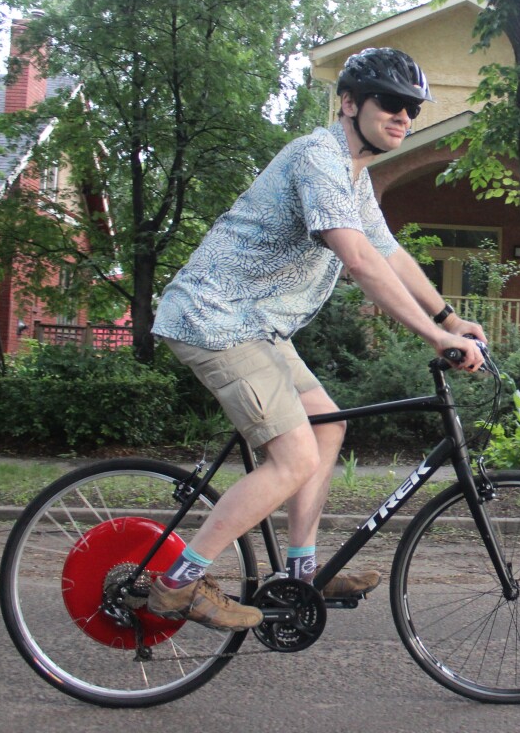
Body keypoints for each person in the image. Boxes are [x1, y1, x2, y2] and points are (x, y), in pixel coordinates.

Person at [146, 48, 487, 631]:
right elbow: (356, 258)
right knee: (294, 456)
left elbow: (388, 251)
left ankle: (301, 575)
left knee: (327, 425)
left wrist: (449, 316)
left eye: (412, 108)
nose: (404, 117)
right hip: (215, 319)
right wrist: (433, 335)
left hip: (257, 326)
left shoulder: (356, 177)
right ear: (350, 103)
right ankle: (177, 583)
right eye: (392, 104)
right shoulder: (317, 157)